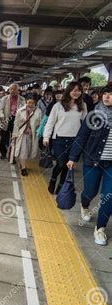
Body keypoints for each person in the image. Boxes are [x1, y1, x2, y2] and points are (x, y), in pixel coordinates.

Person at [67, 85, 112, 246]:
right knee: (90, 191)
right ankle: (84, 205)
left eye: (110, 94)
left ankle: (100, 229)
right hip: (92, 161)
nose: (106, 97)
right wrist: (73, 157)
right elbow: (82, 136)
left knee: (109, 196)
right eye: (104, 94)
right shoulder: (94, 115)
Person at [43, 81, 87, 194]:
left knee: (69, 165)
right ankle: (53, 179)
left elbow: (85, 123)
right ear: (69, 91)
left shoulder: (83, 105)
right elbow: (50, 122)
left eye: (79, 90)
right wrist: (46, 136)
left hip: (75, 140)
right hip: (59, 139)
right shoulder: (58, 105)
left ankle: (61, 186)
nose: (76, 92)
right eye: (74, 90)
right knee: (61, 163)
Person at [12, 95, 42, 176]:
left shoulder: (38, 111)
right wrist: (14, 134)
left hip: (32, 135)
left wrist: (39, 133)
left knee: (30, 151)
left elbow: (40, 123)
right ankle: (24, 168)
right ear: (26, 102)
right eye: (29, 102)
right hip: (22, 134)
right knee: (23, 151)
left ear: (35, 103)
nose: (30, 104)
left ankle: (23, 163)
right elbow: (16, 124)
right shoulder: (20, 111)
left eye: (32, 103)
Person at [0, 83, 26, 160]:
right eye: (11, 89)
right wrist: (1, 116)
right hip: (6, 120)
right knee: (4, 138)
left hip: (16, 121)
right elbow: (0, 109)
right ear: (9, 90)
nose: (12, 90)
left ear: (18, 90)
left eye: (14, 89)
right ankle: (3, 153)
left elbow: (24, 110)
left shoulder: (22, 99)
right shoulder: (4, 99)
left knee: (15, 139)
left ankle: (12, 155)